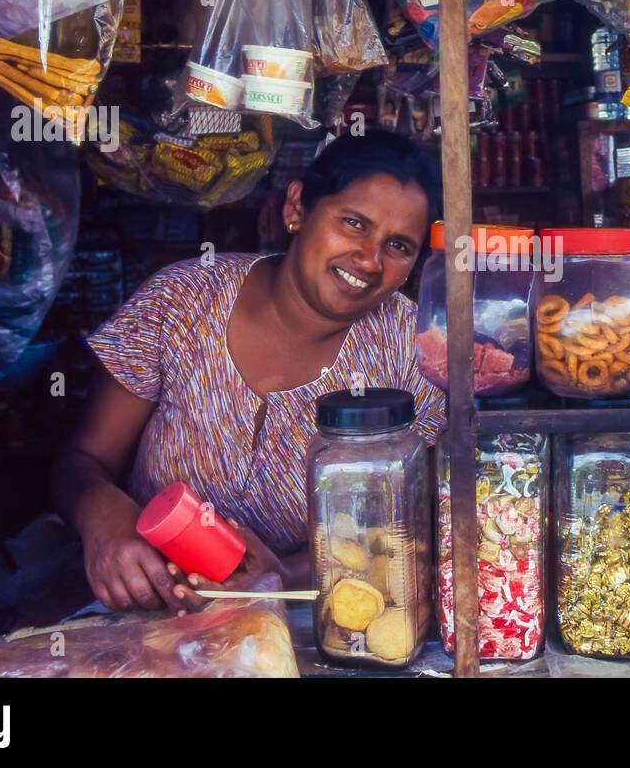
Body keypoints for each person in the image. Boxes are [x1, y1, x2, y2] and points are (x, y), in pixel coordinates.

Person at [52, 131, 445, 614]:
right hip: (150, 615)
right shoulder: (182, 300)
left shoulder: (416, 353)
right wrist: (100, 515)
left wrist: (282, 578)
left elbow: (412, 531)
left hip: (314, 626)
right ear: (297, 206)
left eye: (399, 246)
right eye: (353, 223)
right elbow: (81, 461)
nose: (369, 259)